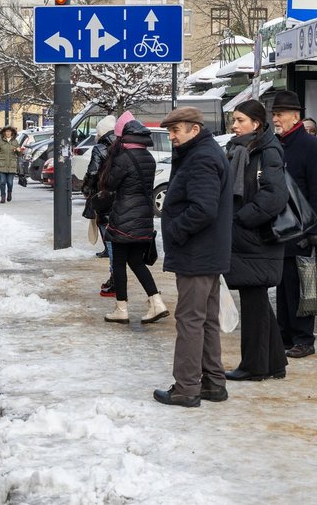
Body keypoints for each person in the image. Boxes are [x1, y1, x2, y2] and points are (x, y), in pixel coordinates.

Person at [153, 106, 232, 407]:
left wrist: (175, 230)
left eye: (176, 130)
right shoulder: (203, 153)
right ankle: (213, 383)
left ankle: (186, 388)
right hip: (205, 252)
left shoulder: (201, 158)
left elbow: (203, 208)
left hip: (197, 253)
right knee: (205, 320)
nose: (171, 136)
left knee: (189, 321)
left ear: (194, 130)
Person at [223, 101, 289, 381]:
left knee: (254, 303)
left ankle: (253, 366)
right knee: (257, 300)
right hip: (250, 239)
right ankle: (274, 363)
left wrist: (242, 219)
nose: (234, 125)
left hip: (258, 237)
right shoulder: (243, 149)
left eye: (240, 120)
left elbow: (275, 196)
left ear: (256, 123)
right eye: (234, 120)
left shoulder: (267, 150)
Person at [270, 90, 317, 359]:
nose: (275, 119)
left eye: (280, 114)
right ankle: (285, 335)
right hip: (281, 227)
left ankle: (304, 339)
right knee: (283, 286)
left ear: (295, 116)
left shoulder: (312, 147)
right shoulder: (277, 144)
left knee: (300, 286)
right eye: (274, 114)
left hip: (303, 229)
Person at [100, 111, 166, 324]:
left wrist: (111, 158)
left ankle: (121, 308)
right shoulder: (148, 156)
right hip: (144, 215)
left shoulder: (123, 158)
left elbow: (109, 184)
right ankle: (156, 302)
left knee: (119, 262)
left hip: (124, 217)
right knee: (136, 262)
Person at [82, 115, 117, 294]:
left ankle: (115, 279)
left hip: (103, 198)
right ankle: (116, 277)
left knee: (109, 239)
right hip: (120, 199)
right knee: (116, 240)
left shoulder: (100, 148)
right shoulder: (121, 146)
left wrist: (86, 188)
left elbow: (93, 171)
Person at [0, 125, 22, 203]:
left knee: (10, 183)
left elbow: (19, 154)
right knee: (2, 182)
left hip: (11, 165)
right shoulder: (0, 142)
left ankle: (9, 193)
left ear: (12, 133)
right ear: (4, 133)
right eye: (6, 131)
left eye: (9, 131)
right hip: (1, 165)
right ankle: (3, 197)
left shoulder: (15, 142)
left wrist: (18, 150)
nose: (8, 133)